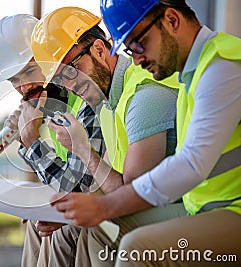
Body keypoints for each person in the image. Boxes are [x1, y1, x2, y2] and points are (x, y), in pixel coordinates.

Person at [51, 0, 241, 266]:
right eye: (129, 49)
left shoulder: (222, 66)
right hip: (203, 206)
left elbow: (191, 164)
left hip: (232, 210)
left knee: (136, 248)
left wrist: (104, 206)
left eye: (139, 43)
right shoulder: (193, 72)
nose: (136, 59)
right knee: (103, 231)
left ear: (172, 20)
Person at [29, 6, 180, 266]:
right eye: (59, 80)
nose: (69, 85)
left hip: (180, 205)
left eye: (72, 70)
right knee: (52, 227)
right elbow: (109, 184)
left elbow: (133, 194)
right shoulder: (107, 100)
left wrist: (82, 149)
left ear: (99, 50)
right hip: (150, 200)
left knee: (96, 229)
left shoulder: (143, 96)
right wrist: (68, 209)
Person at [0, 14, 105, 267]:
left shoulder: (85, 99)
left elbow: (74, 191)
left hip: (109, 206)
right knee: (35, 224)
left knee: (56, 230)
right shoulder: (50, 106)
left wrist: (31, 144)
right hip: (94, 200)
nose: (24, 86)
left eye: (29, 71)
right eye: (14, 80)